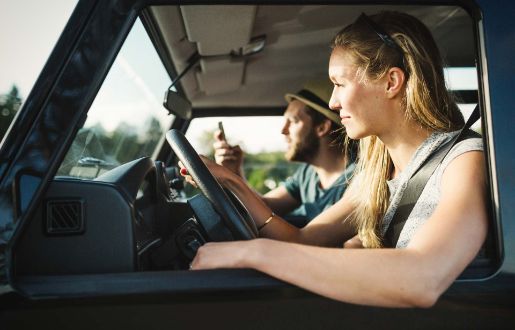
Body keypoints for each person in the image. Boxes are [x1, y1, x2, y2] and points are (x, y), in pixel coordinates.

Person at [181, 11, 488, 307]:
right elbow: (302, 241)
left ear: (391, 82)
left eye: (339, 84)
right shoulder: (375, 175)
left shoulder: (462, 160)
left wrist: (254, 253)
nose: (332, 101)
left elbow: (423, 278)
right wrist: (231, 181)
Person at [213, 79, 356, 226]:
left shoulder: (358, 180)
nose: (283, 130)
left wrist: (228, 178)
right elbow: (264, 206)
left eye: (293, 121)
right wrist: (233, 171)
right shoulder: (308, 174)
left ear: (321, 127)